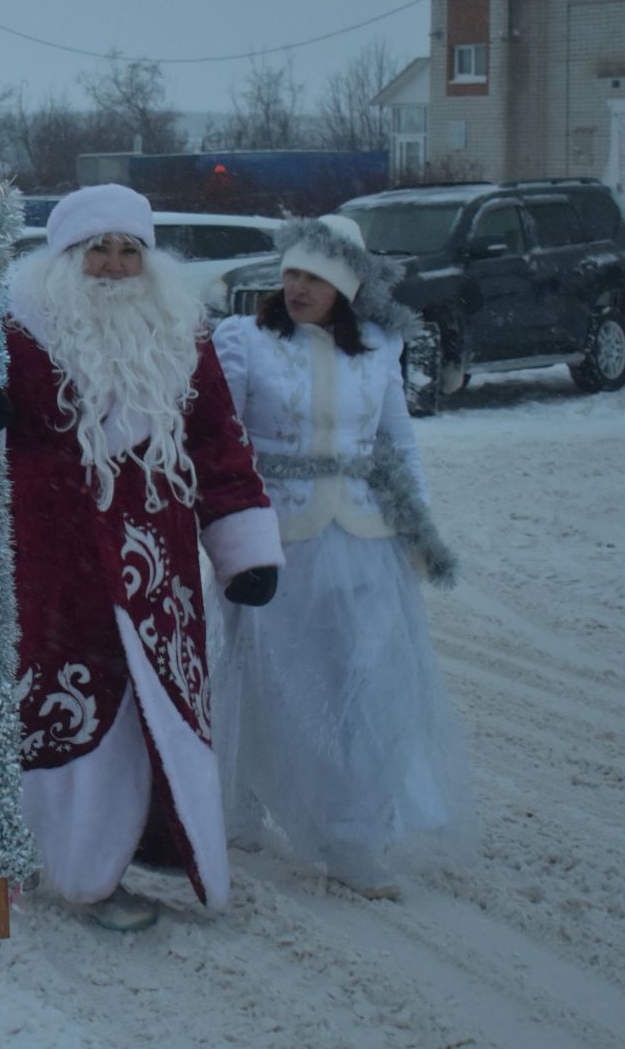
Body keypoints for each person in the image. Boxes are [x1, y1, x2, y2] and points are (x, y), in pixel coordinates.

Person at [0, 184, 281, 930]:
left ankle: (107, 857)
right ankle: (45, 851)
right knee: (45, 714)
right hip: (49, 569)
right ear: (66, 257)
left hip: (156, 574)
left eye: (129, 251)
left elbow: (219, 444)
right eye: (99, 251)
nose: (115, 267)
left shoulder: (184, 337)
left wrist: (241, 546)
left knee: (138, 716)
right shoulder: (15, 334)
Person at [211, 215, 476, 900]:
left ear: (347, 288)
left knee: (360, 682)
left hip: (364, 541)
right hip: (274, 540)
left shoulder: (377, 349)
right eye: (292, 273)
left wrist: (421, 530)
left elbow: (399, 445)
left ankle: (351, 831)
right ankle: (239, 806)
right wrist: (219, 531)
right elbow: (219, 444)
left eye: (316, 278)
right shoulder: (245, 341)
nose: (298, 287)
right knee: (266, 679)